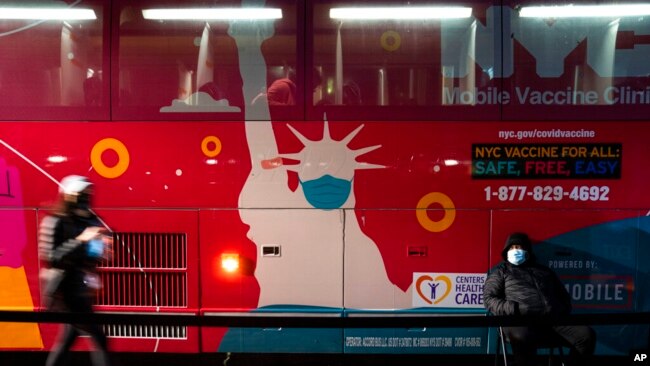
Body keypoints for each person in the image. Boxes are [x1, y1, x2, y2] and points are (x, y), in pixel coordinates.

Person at [483, 232, 596, 366]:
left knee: (586, 335)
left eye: (519, 247)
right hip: (519, 321)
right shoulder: (501, 272)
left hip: (551, 320)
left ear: (527, 251)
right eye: (512, 248)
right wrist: (515, 309)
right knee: (523, 339)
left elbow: (564, 296)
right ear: (506, 251)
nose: (515, 251)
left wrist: (559, 309)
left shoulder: (544, 271)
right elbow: (489, 299)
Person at [39, 175, 112, 366]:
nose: (86, 198)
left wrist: (101, 248)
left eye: (89, 193)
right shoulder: (55, 222)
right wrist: (82, 240)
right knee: (99, 336)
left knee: (68, 339)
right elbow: (52, 257)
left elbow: (89, 256)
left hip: (81, 288)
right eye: (82, 194)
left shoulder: (89, 220)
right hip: (66, 291)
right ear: (69, 196)